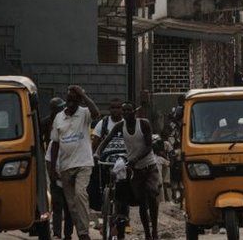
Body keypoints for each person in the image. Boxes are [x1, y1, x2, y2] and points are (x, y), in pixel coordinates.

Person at [97, 101, 160, 240]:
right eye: (123, 110)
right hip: (135, 169)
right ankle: (148, 234)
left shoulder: (143, 124)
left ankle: (154, 230)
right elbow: (107, 139)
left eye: (128, 110)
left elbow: (149, 146)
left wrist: (136, 158)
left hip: (149, 166)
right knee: (142, 202)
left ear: (134, 112)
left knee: (151, 193)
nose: (125, 113)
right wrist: (98, 152)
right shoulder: (120, 126)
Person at [50, 86, 101, 240]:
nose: (71, 102)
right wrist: (53, 167)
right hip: (65, 166)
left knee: (80, 194)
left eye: (75, 99)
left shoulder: (85, 113)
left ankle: (84, 233)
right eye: (69, 99)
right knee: (72, 205)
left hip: (83, 164)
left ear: (79, 101)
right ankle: (81, 232)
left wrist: (83, 94)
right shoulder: (59, 117)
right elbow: (55, 144)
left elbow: (96, 113)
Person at [45, 98, 74, 240]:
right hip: (56, 179)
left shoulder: (73, 142)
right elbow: (48, 159)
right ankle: (57, 234)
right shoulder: (53, 142)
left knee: (69, 210)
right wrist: (52, 175)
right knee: (57, 207)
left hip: (69, 178)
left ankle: (67, 235)